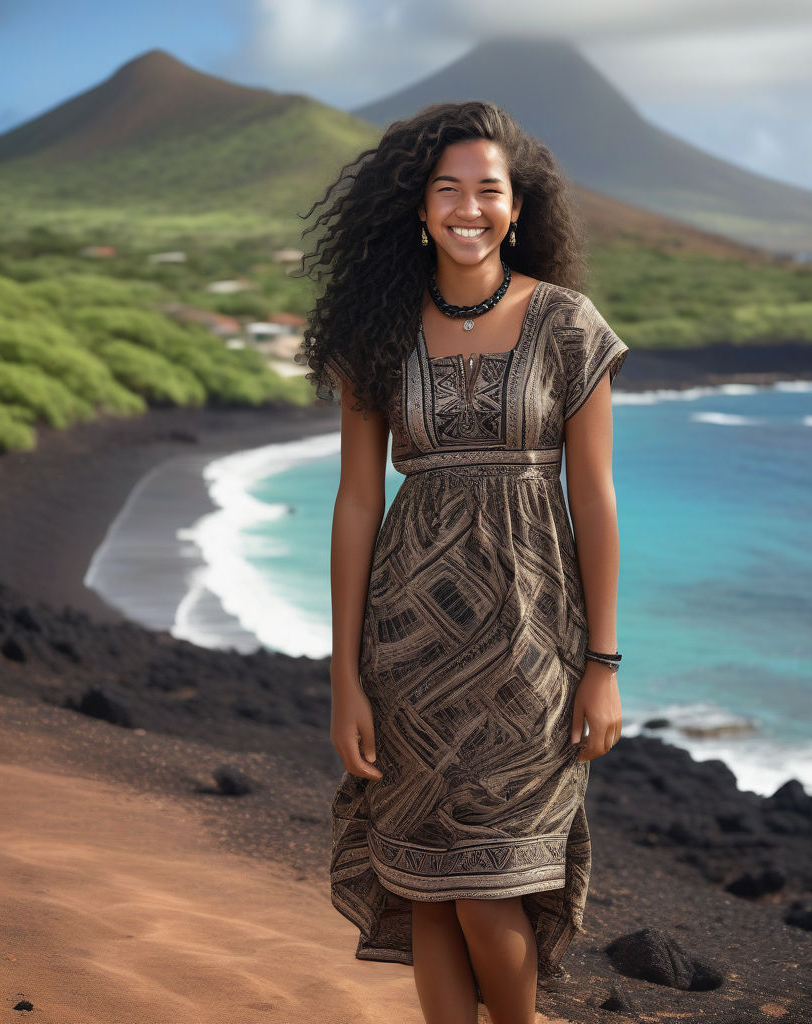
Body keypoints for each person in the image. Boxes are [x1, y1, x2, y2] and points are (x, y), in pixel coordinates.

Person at [298, 100, 628, 1024]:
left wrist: (602, 664)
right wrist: (344, 676)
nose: (469, 208)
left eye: (490, 190)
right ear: (419, 210)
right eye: (449, 190)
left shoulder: (568, 325)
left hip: (533, 645)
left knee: (492, 884)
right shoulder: (379, 333)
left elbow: (594, 501)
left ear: (518, 210)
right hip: (408, 647)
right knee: (429, 882)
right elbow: (359, 502)